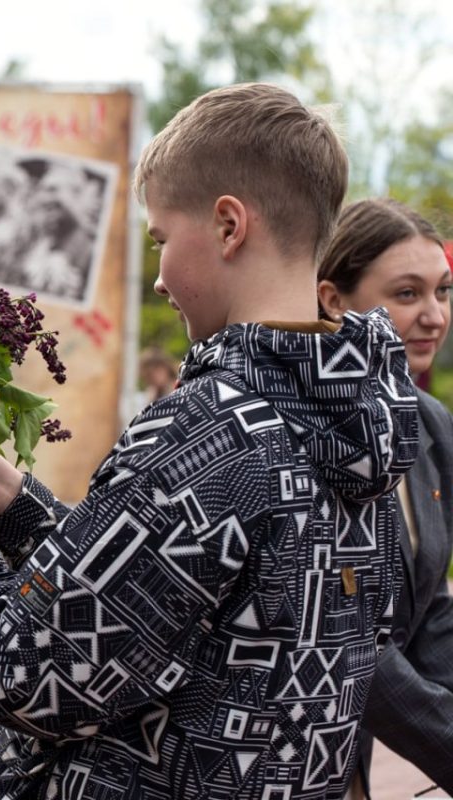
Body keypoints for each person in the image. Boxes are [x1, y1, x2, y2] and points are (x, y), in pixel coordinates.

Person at [0, 83, 419, 799]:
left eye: (163, 238)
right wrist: (17, 505)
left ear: (229, 225)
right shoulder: (358, 417)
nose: (160, 275)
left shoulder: (210, 427)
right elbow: (194, 608)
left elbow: (27, 678)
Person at [317, 198, 453, 797]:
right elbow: (351, 646)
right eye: (406, 294)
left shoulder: (432, 425)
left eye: (443, 292)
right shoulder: (301, 426)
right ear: (333, 300)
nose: (434, 316)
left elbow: (427, 616)